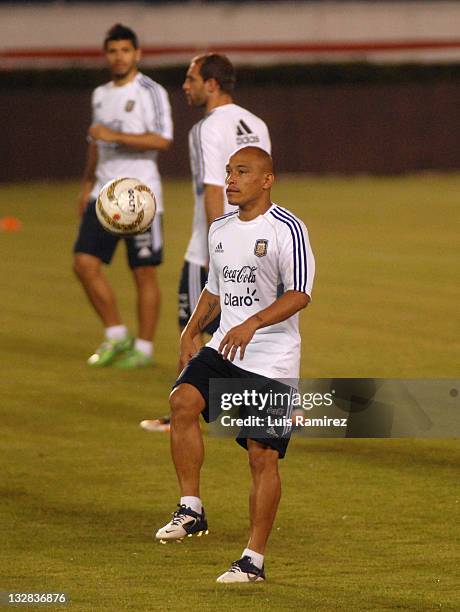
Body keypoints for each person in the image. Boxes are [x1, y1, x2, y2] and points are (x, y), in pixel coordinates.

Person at [155, 146, 315, 583]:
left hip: (272, 360)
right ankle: (192, 508)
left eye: (241, 172)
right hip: (225, 348)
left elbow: (299, 293)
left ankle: (253, 560)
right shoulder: (220, 228)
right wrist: (190, 331)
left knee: (263, 457)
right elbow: (214, 288)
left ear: (267, 180)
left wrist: (252, 323)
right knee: (182, 401)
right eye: (228, 172)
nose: (230, 180)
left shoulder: (288, 229)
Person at [140, 53, 270, 430]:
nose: (185, 86)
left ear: (211, 84)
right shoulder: (256, 123)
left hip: (210, 251)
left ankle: (185, 411)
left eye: (190, 78)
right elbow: (263, 184)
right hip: (258, 244)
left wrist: (220, 251)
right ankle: (263, 406)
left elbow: (215, 191)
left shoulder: (207, 128)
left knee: (192, 330)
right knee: (246, 329)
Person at [73, 24, 173, 368]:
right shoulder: (100, 94)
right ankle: (116, 335)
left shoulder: (150, 91)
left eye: (125, 50)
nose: (119, 56)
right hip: (103, 194)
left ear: (137, 54)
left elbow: (162, 139)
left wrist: (113, 134)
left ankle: (143, 349)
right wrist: (86, 184)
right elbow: (95, 142)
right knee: (84, 264)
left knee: (143, 272)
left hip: (139, 198)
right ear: (106, 55)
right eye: (113, 51)